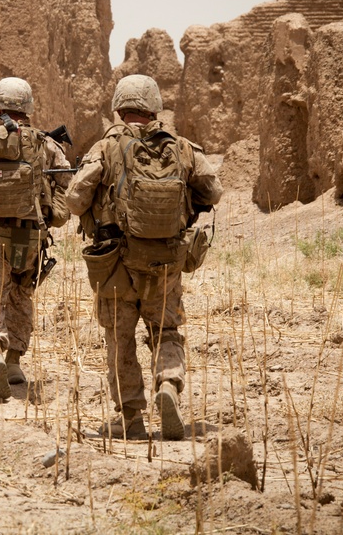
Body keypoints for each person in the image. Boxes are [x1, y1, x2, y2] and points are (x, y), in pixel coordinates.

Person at [65, 74, 222, 440]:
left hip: (116, 263)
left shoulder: (106, 148)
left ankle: (131, 418)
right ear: (155, 108)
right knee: (165, 330)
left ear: (118, 109)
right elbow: (213, 192)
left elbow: (74, 200)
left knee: (120, 338)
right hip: (166, 261)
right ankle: (168, 384)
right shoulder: (182, 148)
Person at [0, 77, 72, 401]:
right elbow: (67, 186)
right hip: (32, 237)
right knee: (22, 294)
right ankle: (16, 364)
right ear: (28, 108)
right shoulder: (47, 145)